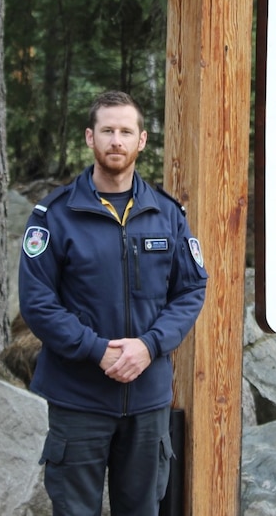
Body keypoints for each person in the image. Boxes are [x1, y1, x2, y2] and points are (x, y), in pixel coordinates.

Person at [18, 90, 208, 515]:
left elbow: (191, 289)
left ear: (141, 141)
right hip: (78, 399)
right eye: (107, 130)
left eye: (126, 131)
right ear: (90, 137)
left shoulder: (167, 213)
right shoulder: (54, 215)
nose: (116, 141)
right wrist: (96, 351)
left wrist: (150, 345)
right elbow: (37, 302)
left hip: (147, 400)